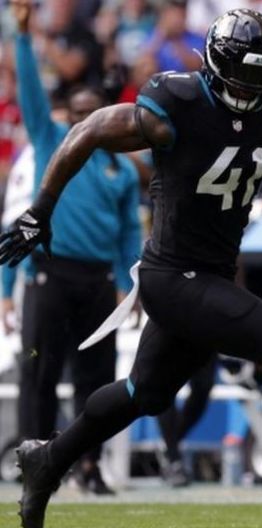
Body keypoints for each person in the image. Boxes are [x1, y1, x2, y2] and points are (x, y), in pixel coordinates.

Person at [1, 9, 262, 528]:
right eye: (243, 76)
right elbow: (89, 129)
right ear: (215, 65)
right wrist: (42, 209)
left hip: (209, 275)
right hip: (172, 276)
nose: (251, 89)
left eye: (261, 78)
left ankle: (48, 460)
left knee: (146, 394)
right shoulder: (178, 103)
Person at [9, 0, 142, 496]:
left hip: (97, 281)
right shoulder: (50, 140)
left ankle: (88, 467)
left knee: (97, 379)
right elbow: (29, 93)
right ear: (69, 119)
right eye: (79, 117)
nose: (85, 126)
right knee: (39, 373)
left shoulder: (120, 168)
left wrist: (130, 284)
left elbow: (130, 231)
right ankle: (33, 461)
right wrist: (22, 36)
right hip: (49, 271)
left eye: (94, 117)